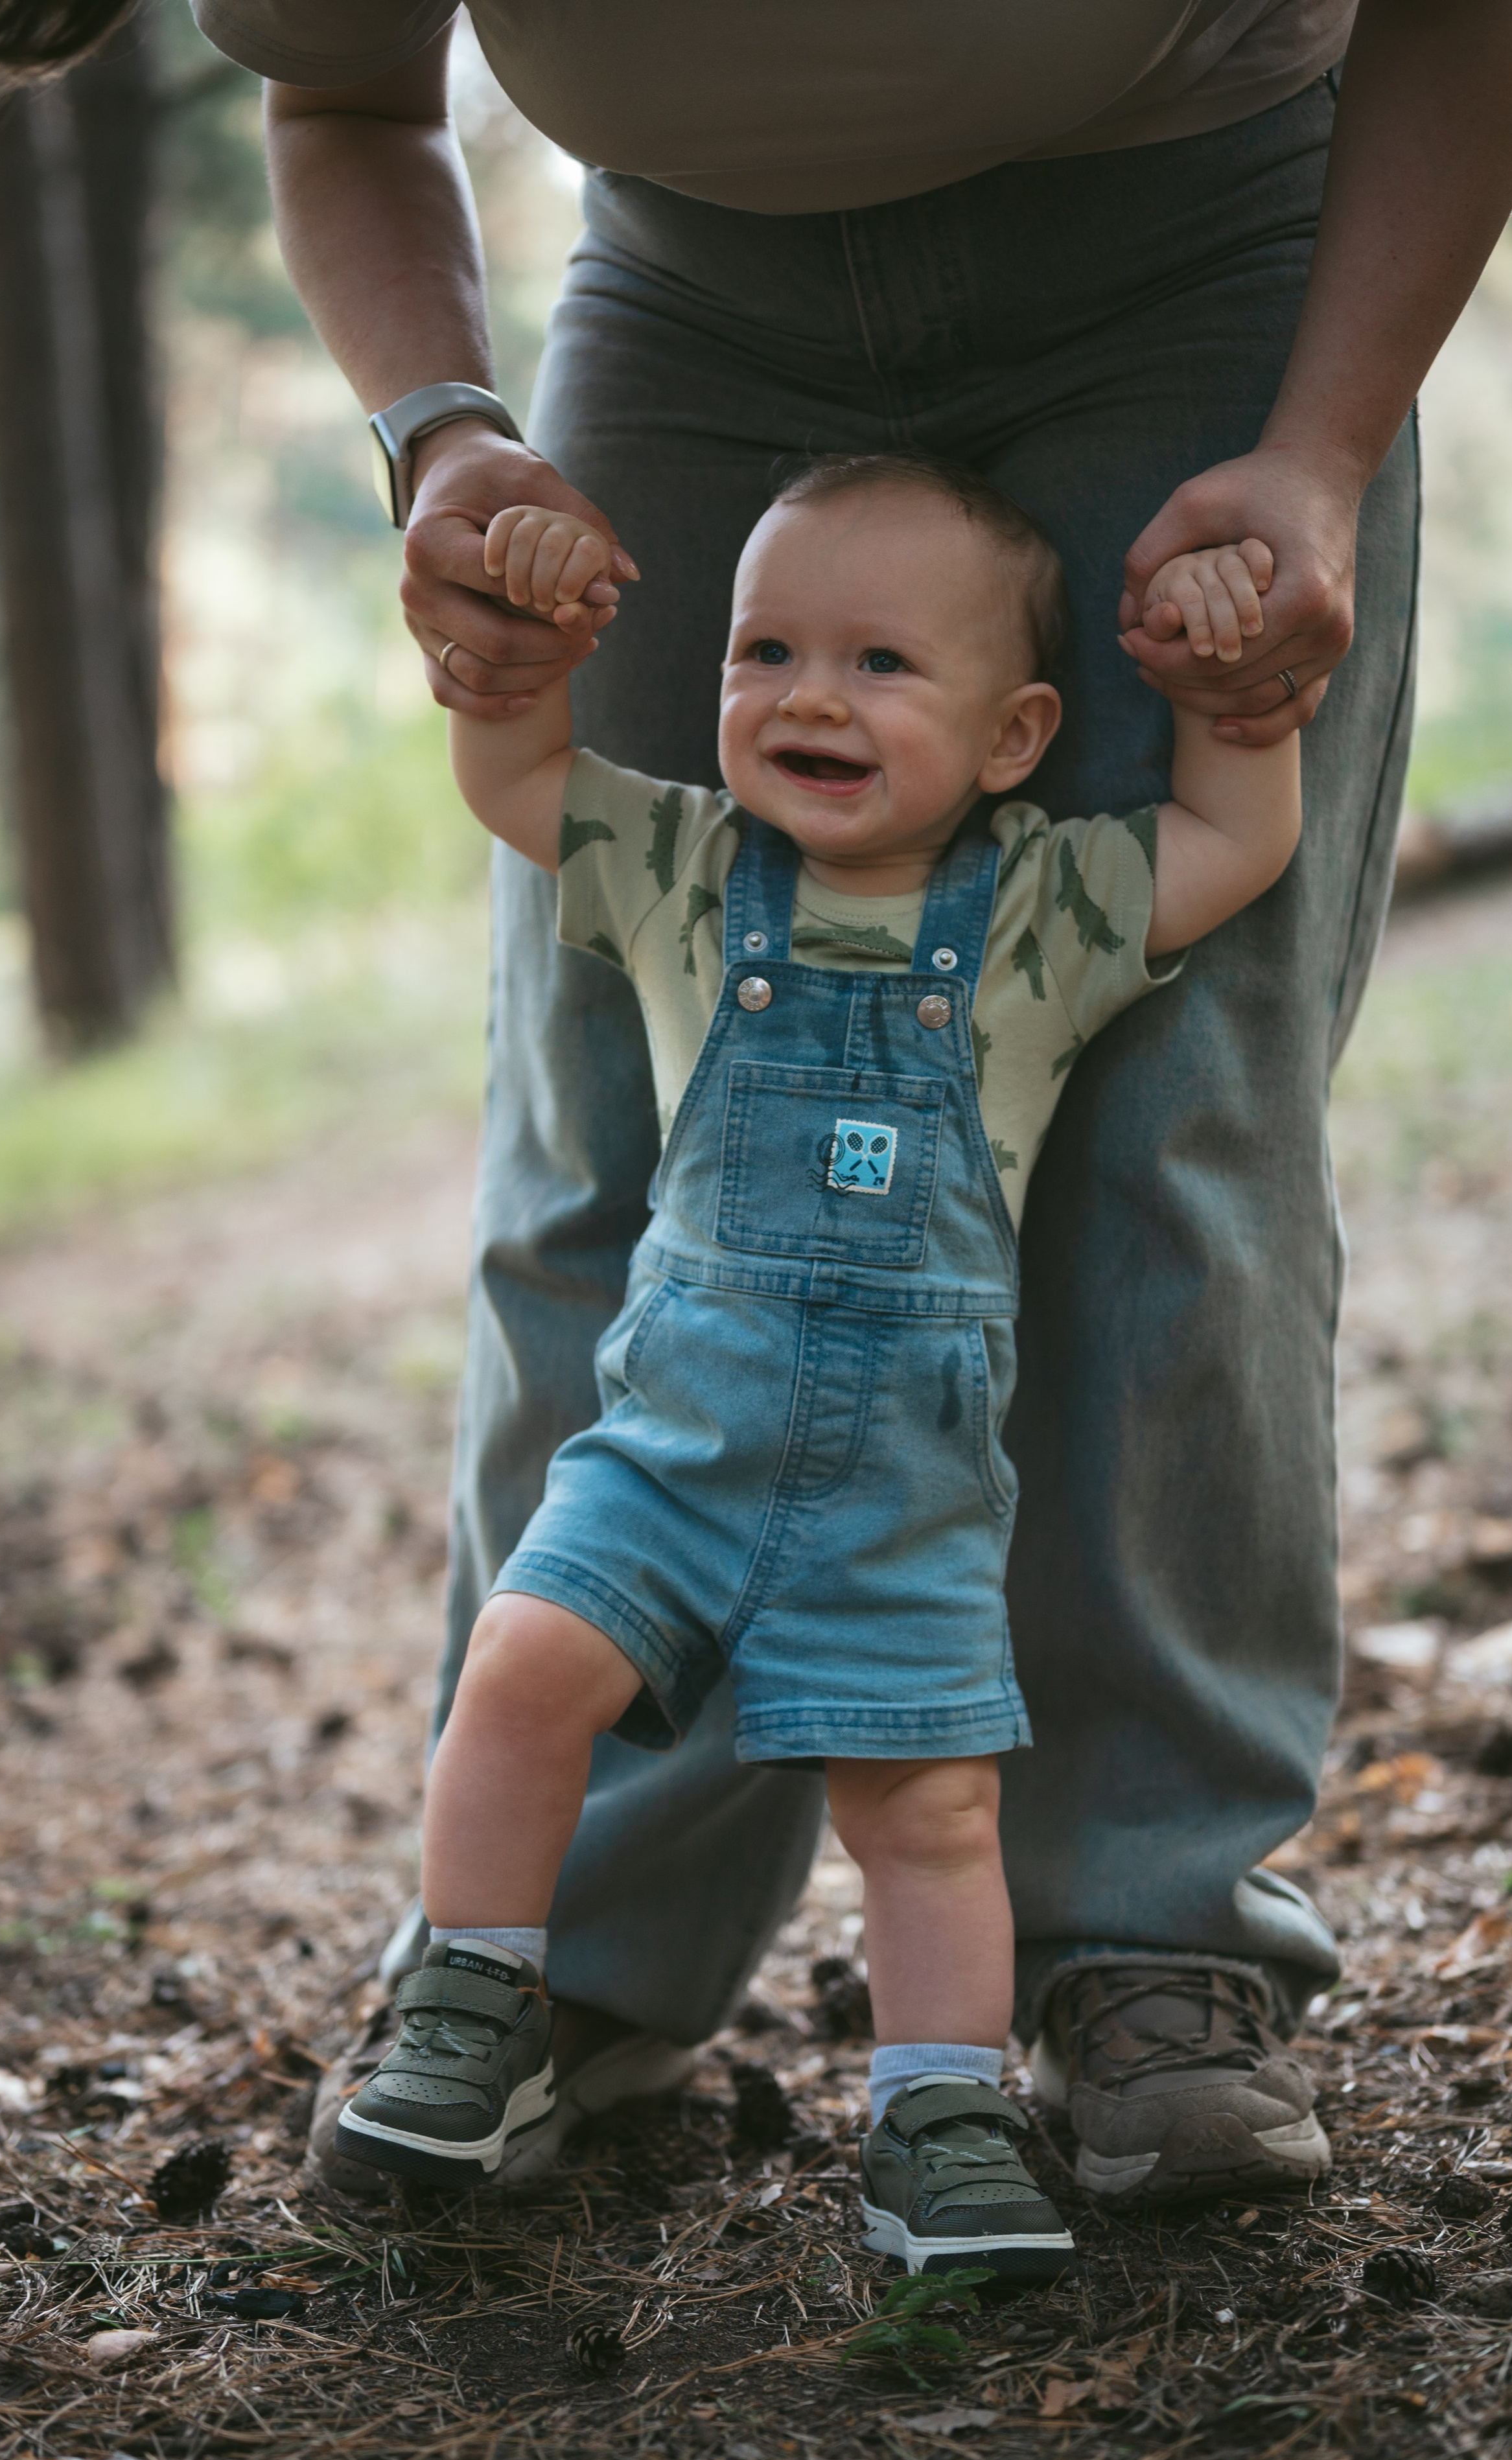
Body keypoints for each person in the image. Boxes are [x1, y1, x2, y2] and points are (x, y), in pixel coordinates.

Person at [0, 0, 1512, 2205]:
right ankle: (548, 1956)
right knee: (611, 1135)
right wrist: (443, 438)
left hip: (1201, 260)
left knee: (1178, 1128)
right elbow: (343, 99)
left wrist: (1323, 449)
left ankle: (1153, 1941)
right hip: (692, 307)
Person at [331, 453, 1308, 2270]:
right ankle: (475, 1998)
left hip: (907, 1488)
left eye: (878, 663)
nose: (806, 696)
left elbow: (1239, 845)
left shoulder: (1041, 913)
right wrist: (514, 670)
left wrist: (1223, 698)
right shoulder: (690, 869)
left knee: (929, 1814)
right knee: (524, 1665)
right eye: (765, 648)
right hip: (677, 1445)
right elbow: (519, 782)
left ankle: (935, 2114)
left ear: (1016, 735)